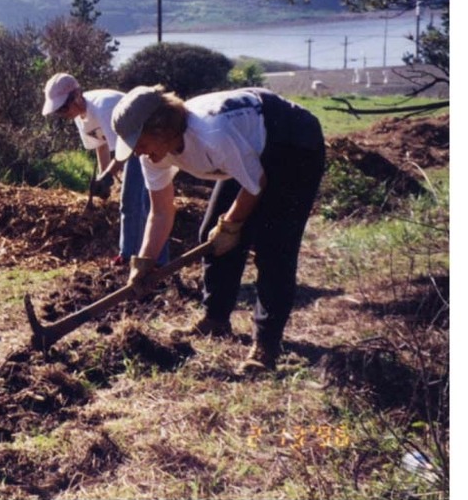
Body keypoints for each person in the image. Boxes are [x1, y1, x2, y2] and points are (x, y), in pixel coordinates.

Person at [112, 85, 325, 374]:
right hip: (248, 146)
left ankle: (266, 343)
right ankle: (216, 318)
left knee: (273, 248)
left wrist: (232, 224)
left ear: (161, 127)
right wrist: (144, 261)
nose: (138, 151)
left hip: (292, 141)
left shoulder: (212, 133)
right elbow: (161, 211)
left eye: (139, 141)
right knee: (209, 236)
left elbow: (255, 184)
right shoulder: (153, 156)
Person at [42, 72, 165, 266]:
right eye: (59, 111)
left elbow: (123, 151)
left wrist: (109, 175)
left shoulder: (104, 107)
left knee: (146, 204)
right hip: (129, 148)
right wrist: (102, 177)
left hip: (146, 142)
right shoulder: (80, 117)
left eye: (64, 107)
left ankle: (157, 261)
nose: (63, 114)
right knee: (129, 204)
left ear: (77, 95)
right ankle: (127, 255)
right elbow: (101, 144)